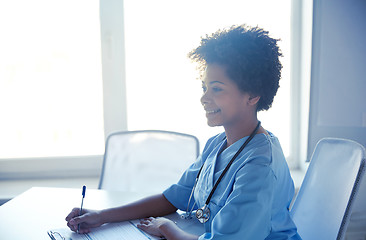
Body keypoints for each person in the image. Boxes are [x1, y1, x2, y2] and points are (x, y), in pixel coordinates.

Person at [66, 25, 302, 240]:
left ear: (252, 95)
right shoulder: (218, 144)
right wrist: (101, 215)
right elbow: (172, 199)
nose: (204, 98)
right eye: (204, 87)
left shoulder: (260, 166)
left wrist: (165, 228)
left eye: (216, 89)